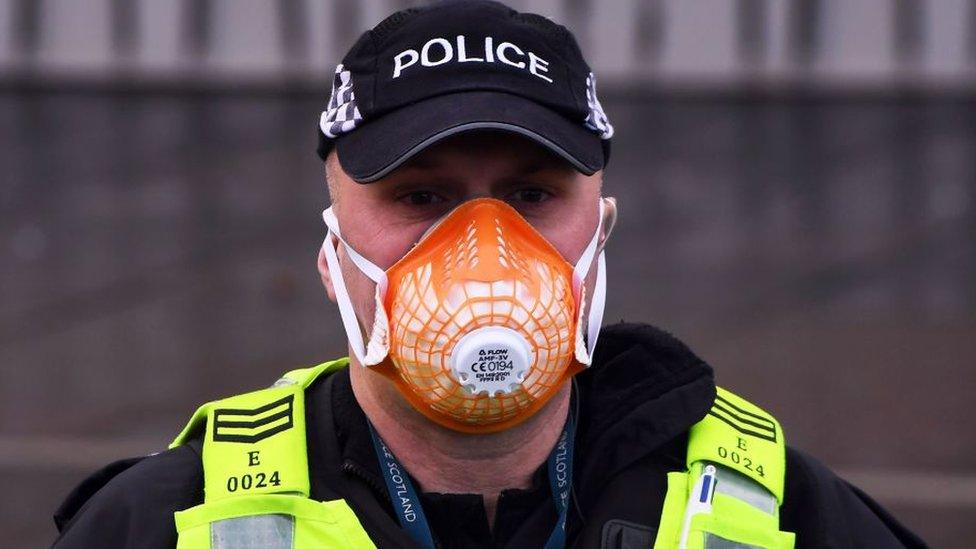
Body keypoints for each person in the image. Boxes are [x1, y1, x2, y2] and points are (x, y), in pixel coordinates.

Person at [52, 1, 926, 547]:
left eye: (533, 194)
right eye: (422, 195)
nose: (484, 249)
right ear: (333, 253)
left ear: (600, 232)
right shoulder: (169, 522)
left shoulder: (777, 516)